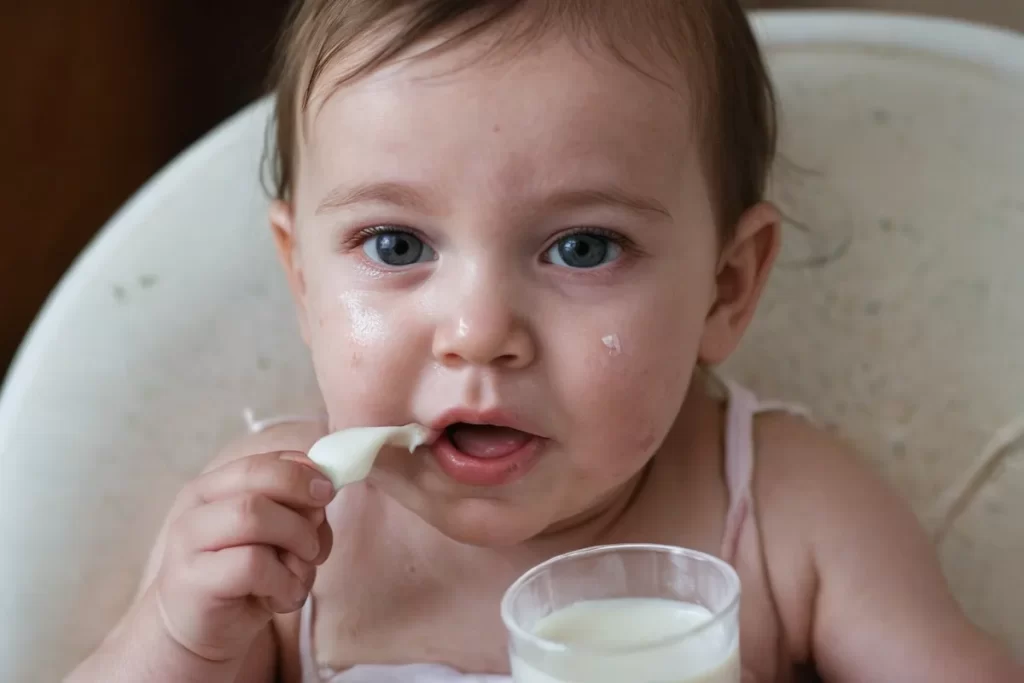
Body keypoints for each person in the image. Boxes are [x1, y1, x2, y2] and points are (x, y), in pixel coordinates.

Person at [66, 1, 1022, 681]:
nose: (479, 333)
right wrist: (179, 638)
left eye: (582, 247)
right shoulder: (280, 539)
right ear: (305, 283)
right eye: (396, 245)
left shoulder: (786, 513)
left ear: (726, 288)